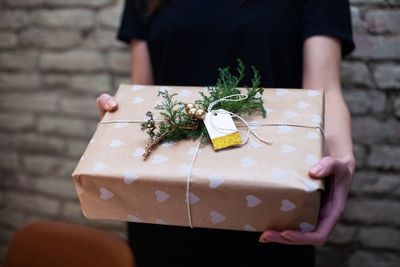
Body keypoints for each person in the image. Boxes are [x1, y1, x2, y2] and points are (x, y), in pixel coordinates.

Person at [96, 0, 356, 266]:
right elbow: (144, 90)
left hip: (270, 204)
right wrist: (122, 123)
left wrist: (339, 158)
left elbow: (323, 91)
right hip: (163, 202)